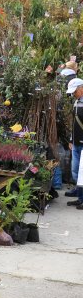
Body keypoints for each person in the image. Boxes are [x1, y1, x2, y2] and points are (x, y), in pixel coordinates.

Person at [65, 78, 83, 209]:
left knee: (82, 173)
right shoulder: (77, 102)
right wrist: (71, 140)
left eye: (74, 91)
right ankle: (79, 194)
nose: (73, 94)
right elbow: (74, 123)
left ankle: (82, 198)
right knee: (75, 171)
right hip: (76, 142)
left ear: (81, 88)